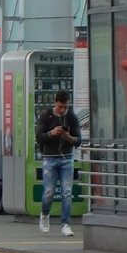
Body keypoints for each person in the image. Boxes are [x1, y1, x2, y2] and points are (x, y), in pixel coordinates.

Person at [35, 89, 81, 237]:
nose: (62, 110)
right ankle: (44, 214)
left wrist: (68, 137)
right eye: (60, 106)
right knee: (49, 192)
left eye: (65, 107)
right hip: (50, 158)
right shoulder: (46, 116)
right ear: (55, 102)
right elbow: (39, 137)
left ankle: (65, 224)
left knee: (67, 192)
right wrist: (51, 133)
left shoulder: (72, 117)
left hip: (67, 158)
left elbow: (78, 140)